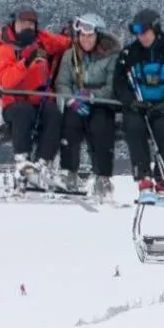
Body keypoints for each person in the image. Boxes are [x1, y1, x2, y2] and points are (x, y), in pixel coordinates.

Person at [114, 8, 164, 202]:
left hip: (163, 107)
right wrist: (131, 102)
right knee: (134, 127)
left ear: (155, 29)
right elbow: (119, 84)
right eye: (138, 33)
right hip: (138, 106)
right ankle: (144, 179)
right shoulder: (129, 53)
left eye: (145, 32)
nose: (142, 37)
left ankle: (163, 180)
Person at [0, 6, 69, 188]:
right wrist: (26, 63)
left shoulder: (42, 41)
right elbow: (5, 81)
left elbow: (63, 43)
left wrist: (73, 36)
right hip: (15, 103)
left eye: (31, 24)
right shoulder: (6, 48)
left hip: (41, 101)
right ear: (14, 24)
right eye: (23, 23)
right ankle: (23, 161)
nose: (27, 27)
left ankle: (43, 162)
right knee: (24, 111)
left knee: (53, 113)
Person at [54, 14, 121, 197]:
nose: (85, 40)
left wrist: (92, 96)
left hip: (101, 103)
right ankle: (69, 172)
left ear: (98, 36)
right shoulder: (71, 55)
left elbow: (112, 86)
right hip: (77, 101)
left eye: (90, 36)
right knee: (70, 124)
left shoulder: (111, 56)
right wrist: (71, 100)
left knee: (100, 128)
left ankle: (102, 176)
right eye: (82, 35)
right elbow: (62, 82)